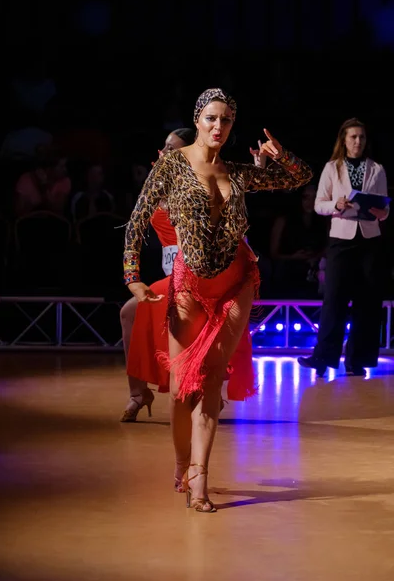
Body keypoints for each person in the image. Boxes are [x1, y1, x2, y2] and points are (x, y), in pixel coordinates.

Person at [123, 88, 312, 512]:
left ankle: (200, 481)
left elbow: (299, 177)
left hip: (237, 282)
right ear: (197, 119)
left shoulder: (239, 172)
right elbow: (136, 222)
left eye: (226, 120)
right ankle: (180, 462)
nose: (218, 127)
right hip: (190, 285)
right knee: (179, 390)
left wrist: (281, 154)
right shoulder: (173, 164)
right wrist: (133, 278)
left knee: (211, 380)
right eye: (211, 118)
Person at [298, 118, 389, 377]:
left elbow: (385, 208)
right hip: (341, 239)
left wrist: (382, 212)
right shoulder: (332, 168)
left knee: (368, 301)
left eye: (361, 137)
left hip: (370, 240)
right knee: (334, 300)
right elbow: (319, 204)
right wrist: (335, 206)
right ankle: (323, 357)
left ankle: (357, 359)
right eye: (353, 137)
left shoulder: (377, 169)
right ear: (344, 140)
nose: (358, 141)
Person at [120, 128, 197, 422]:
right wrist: (132, 278)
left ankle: (202, 389)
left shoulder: (196, 186)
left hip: (195, 273)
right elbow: (133, 231)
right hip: (171, 275)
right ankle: (139, 393)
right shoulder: (156, 183)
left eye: (171, 149)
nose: (162, 152)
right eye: (163, 146)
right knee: (129, 313)